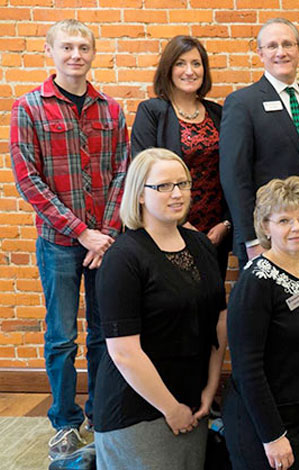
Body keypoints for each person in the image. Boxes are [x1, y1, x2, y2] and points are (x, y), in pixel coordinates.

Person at [9, 19, 129, 460]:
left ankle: (100, 413)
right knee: (61, 336)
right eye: (67, 47)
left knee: (104, 332)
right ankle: (64, 420)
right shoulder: (29, 108)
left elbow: (123, 172)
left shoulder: (111, 110)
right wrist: (82, 232)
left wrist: (108, 234)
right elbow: (29, 180)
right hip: (59, 244)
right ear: (50, 51)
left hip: (107, 244)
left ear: (93, 53)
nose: (75, 54)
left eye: (83, 47)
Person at [93, 148, 227, 469]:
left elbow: (218, 321)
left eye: (183, 183)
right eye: (164, 186)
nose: (178, 193)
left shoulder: (200, 246)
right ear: (139, 194)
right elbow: (124, 352)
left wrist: (210, 387)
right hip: (138, 411)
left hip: (192, 403)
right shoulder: (123, 258)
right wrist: (170, 408)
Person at [223, 177, 299, 470]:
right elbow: (247, 368)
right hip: (266, 421)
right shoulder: (256, 281)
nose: (296, 228)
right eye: (284, 220)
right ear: (266, 227)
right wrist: (273, 435)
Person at [220, 18, 299, 269]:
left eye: (288, 44)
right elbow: (235, 176)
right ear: (260, 53)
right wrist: (251, 237)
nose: (281, 52)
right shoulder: (242, 103)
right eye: (272, 46)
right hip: (266, 236)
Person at [131, 35, 231, 278]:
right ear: (168, 69)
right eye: (181, 63)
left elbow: (232, 169)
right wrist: (183, 226)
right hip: (168, 227)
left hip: (215, 232)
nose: (190, 71)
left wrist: (226, 224)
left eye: (196, 64)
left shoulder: (218, 112)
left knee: (209, 301)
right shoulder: (152, 111)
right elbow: (143, 172)